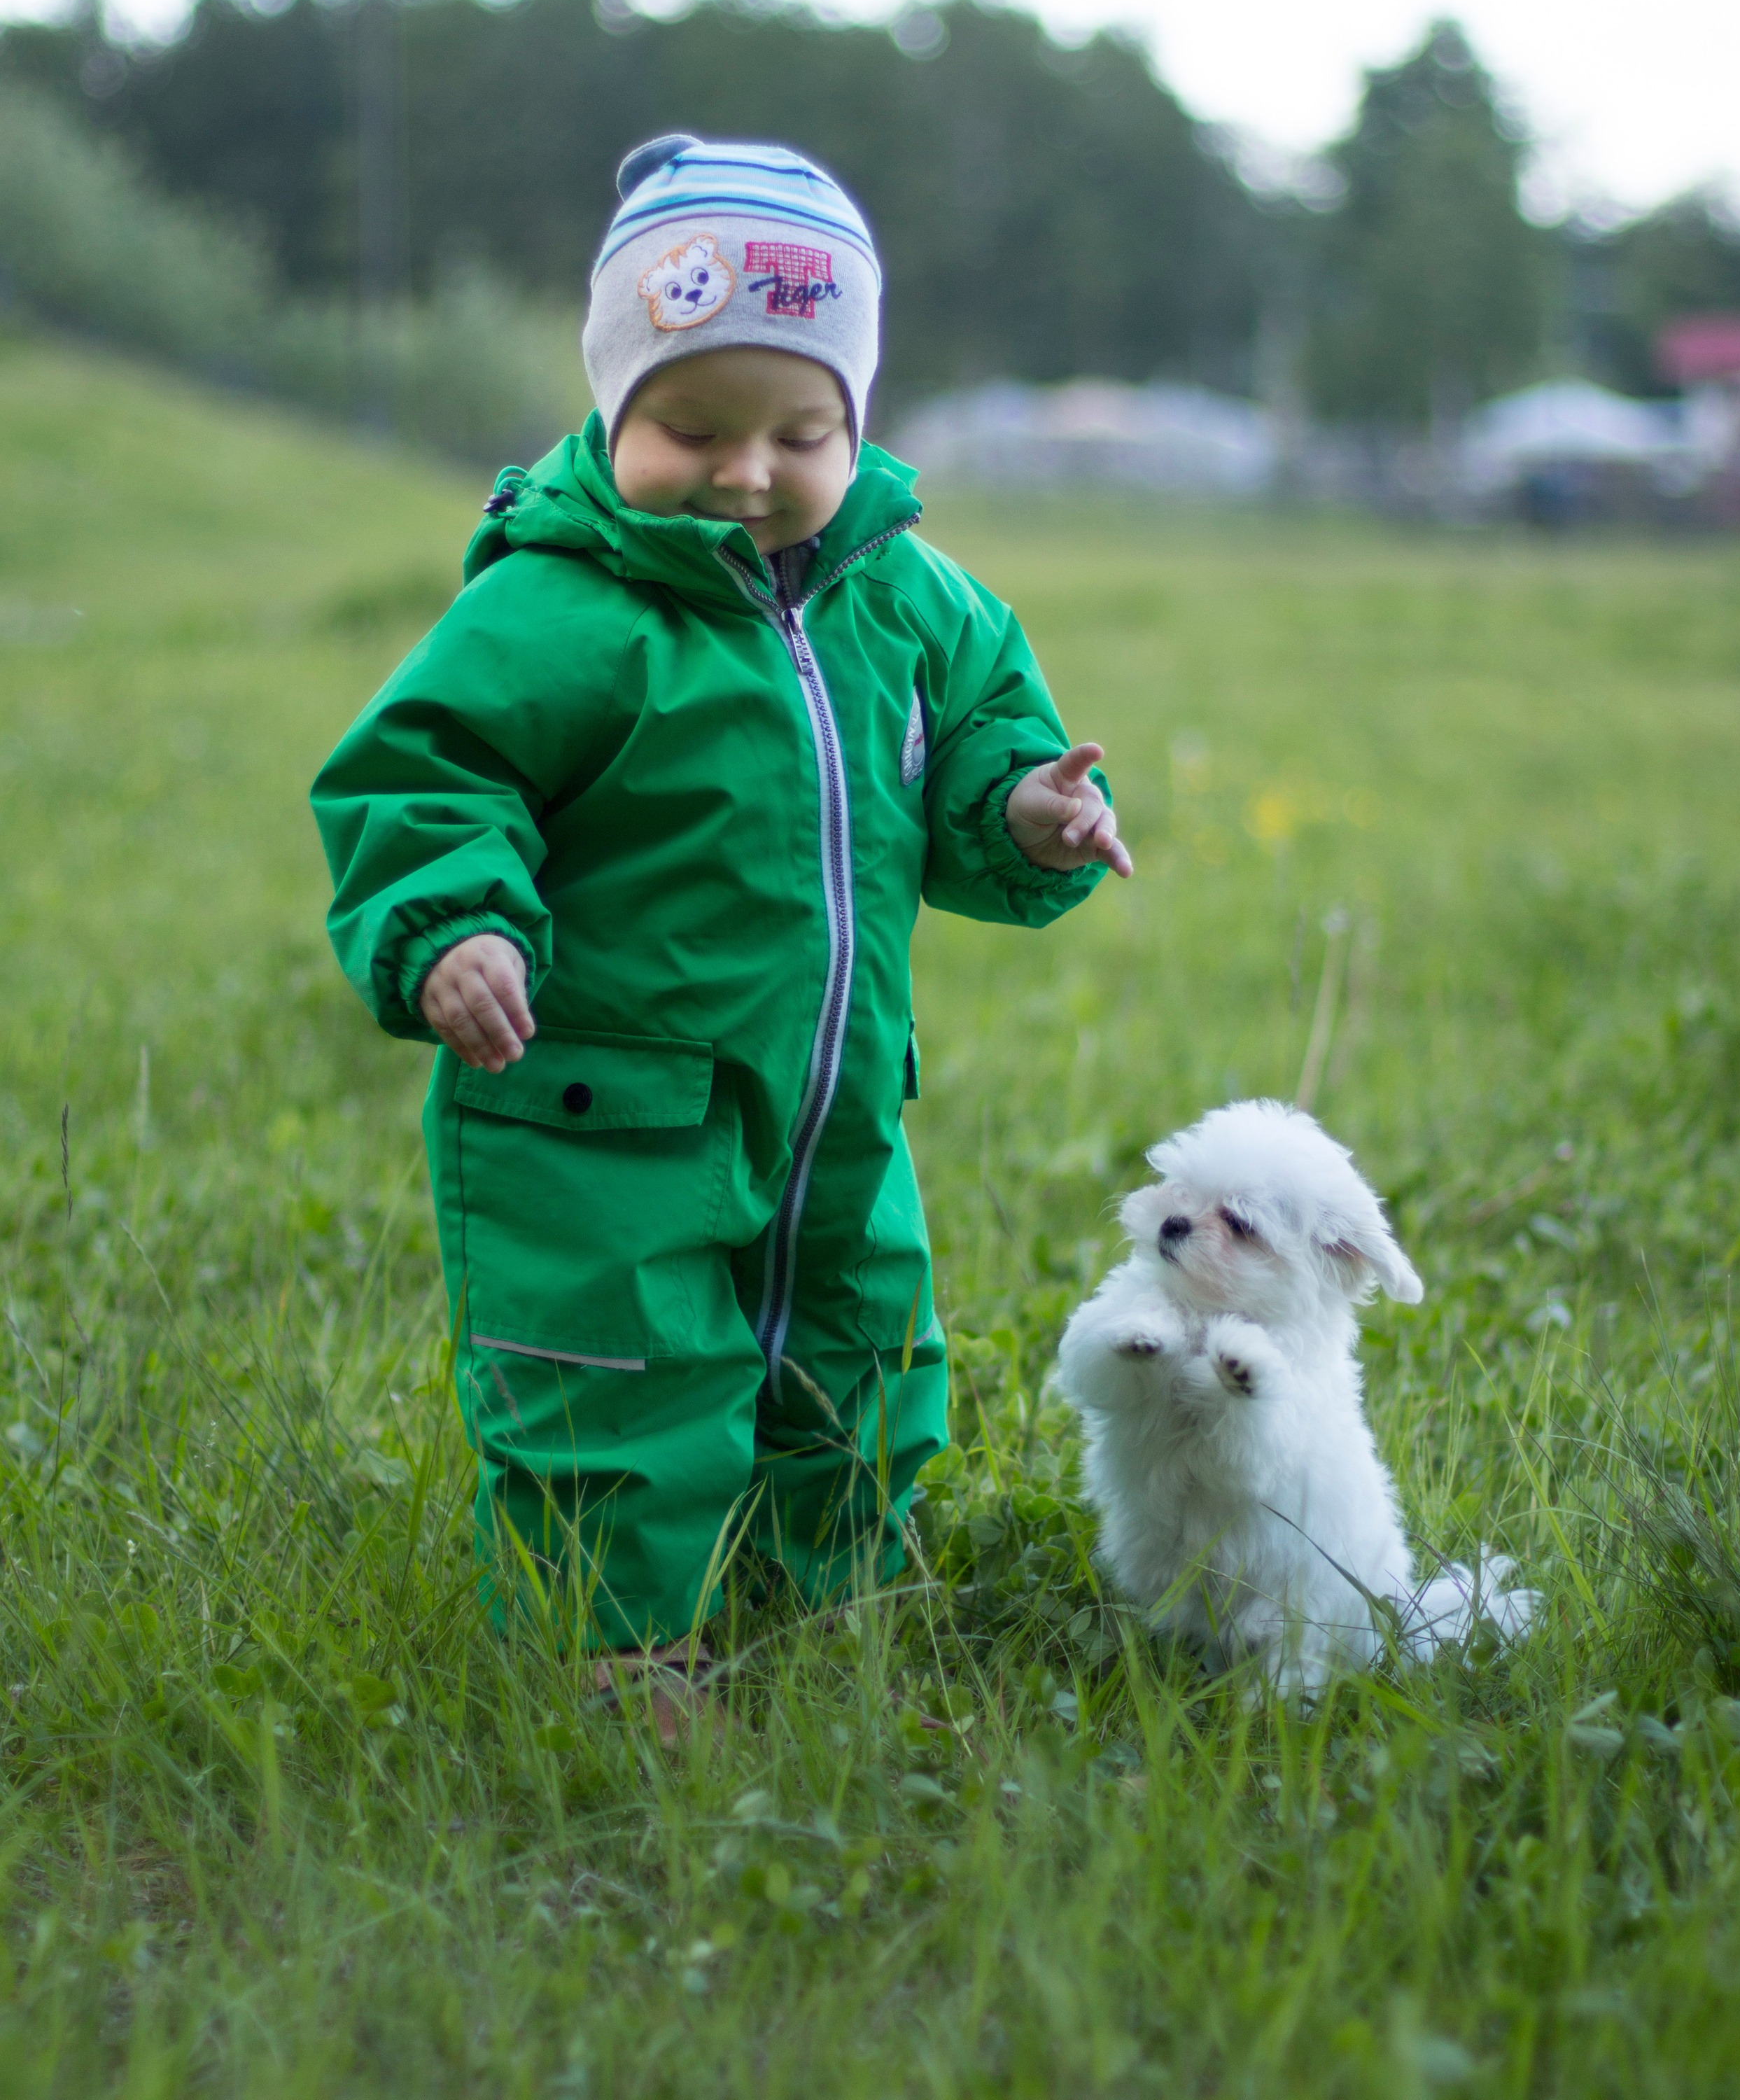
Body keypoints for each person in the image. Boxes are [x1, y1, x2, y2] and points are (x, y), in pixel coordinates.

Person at [312, 134, 1130, 1693]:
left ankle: (827, 1613)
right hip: (596, 1111)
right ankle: (616, 1659)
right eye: (689, 427)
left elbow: (979, 746)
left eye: (801, 430)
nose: (748, 470)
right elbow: (426, 780)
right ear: (615, 404)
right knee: (615, 1372)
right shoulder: (555, 609)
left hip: (831, 1105)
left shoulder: (915, 597)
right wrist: (455, 926)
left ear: (855, 419)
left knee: (860, 1350)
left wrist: (1025, 807)